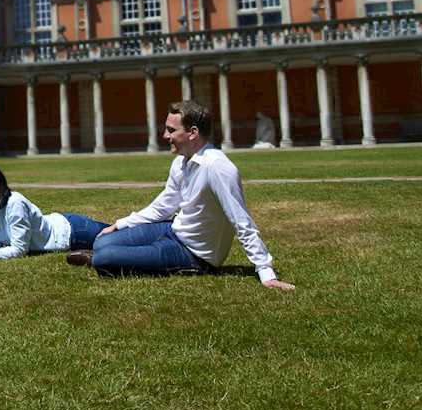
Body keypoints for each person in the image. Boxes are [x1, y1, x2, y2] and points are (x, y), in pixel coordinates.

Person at [68, 100, 295, 291]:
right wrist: (120, 224)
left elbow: (241, 221)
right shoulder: (180, 162)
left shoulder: (218, 168)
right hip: (172, 229)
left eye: (171, 130)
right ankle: (107, 251)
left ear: (193, 133)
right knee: (103, 240)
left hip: (193, 254)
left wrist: (265, 272)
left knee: (103, 259)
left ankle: (102, 257)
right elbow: (163, 206)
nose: (164, 135)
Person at [0, 164, 112, 260]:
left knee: (123, 235)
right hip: (65, 223)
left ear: (0, 185)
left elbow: (20, 250)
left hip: (75, 232)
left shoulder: (14, 203)